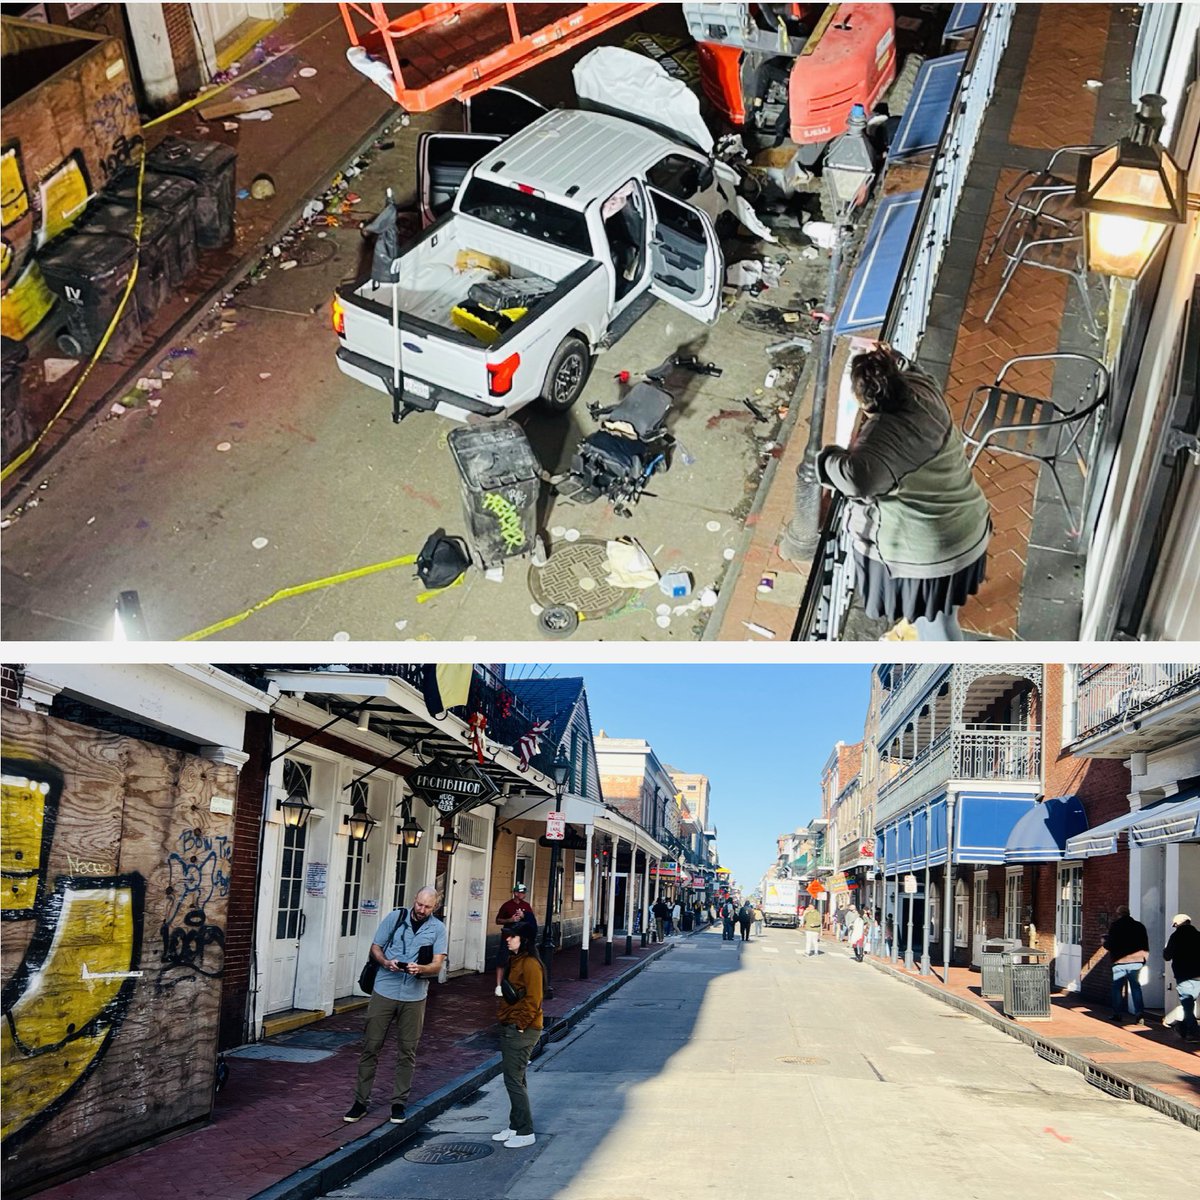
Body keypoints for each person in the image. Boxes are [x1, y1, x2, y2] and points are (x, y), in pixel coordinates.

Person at [818, 345, 991, 641]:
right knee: (940, 612)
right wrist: (891, 354)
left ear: (865, 403)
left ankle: (951, 677)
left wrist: (824, 458)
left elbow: (855, 479)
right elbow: (910, 367)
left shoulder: (881, 440)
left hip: (932, 553)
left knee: (935, 623)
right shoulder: (923, 388)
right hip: (968, 522)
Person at [345, 887, 447, 1124]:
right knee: (371, 1046)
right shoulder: (395, 917)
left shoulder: (438, 929)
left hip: (414, 995)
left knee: (407, 1051)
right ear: (415, 899)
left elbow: (437, 965)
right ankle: (360, 1102)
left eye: (427, 907)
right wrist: (385, 962)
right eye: (419, 904)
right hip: (385, 989)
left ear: (435, 908)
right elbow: (375, 947)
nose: (421, 910)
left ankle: (398, 1103)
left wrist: (420, 969)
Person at [491, 920, 545, 1148]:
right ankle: (515, 1126)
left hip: (523, 1028)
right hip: (511, 1024)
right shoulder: (516, 961)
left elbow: (534, 999)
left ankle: (525, 1131)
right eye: (508, 936)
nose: (508, 939)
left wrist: (520, 1024)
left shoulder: (531, 964)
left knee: (513, 1080)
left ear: (523, 940)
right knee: (516, 1078)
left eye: (512, 936)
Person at [1104, 905, 1149, 1023]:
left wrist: (1104, 942)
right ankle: (1139, 1013)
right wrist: (1143, 959)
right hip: (1136, 961)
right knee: (1135, 987)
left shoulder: (1116, 926)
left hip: (1120, 962)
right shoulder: (1139, 926)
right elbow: (1145, 945)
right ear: (1129, 913)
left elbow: (1110, 944)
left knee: (1117, 988)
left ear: (1119, 914)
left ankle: (1117, 1014)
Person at [494, 883, 537, 998]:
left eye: (524, 892)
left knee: (520, 961)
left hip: (520, 939)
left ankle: (517, 984)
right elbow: (498, 920)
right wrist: (510, 919)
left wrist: (524, 916)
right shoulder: (507, 905)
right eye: (520, 892)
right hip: (507, 938)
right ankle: (498, 986)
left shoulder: (526, 906)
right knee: (502, 960)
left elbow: (531, 921)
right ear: (515, 893)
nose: (522, 894)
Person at [1163, 913, 1200, 1043]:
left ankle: (1194, 1033)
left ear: (1177, 924)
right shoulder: (1198, 935)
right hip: (1198, 975)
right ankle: (1182, 1028)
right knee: (1189, 1003)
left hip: (1183, 974)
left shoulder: (1175, 936)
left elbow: (1167, 956)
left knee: (1187, 1004)